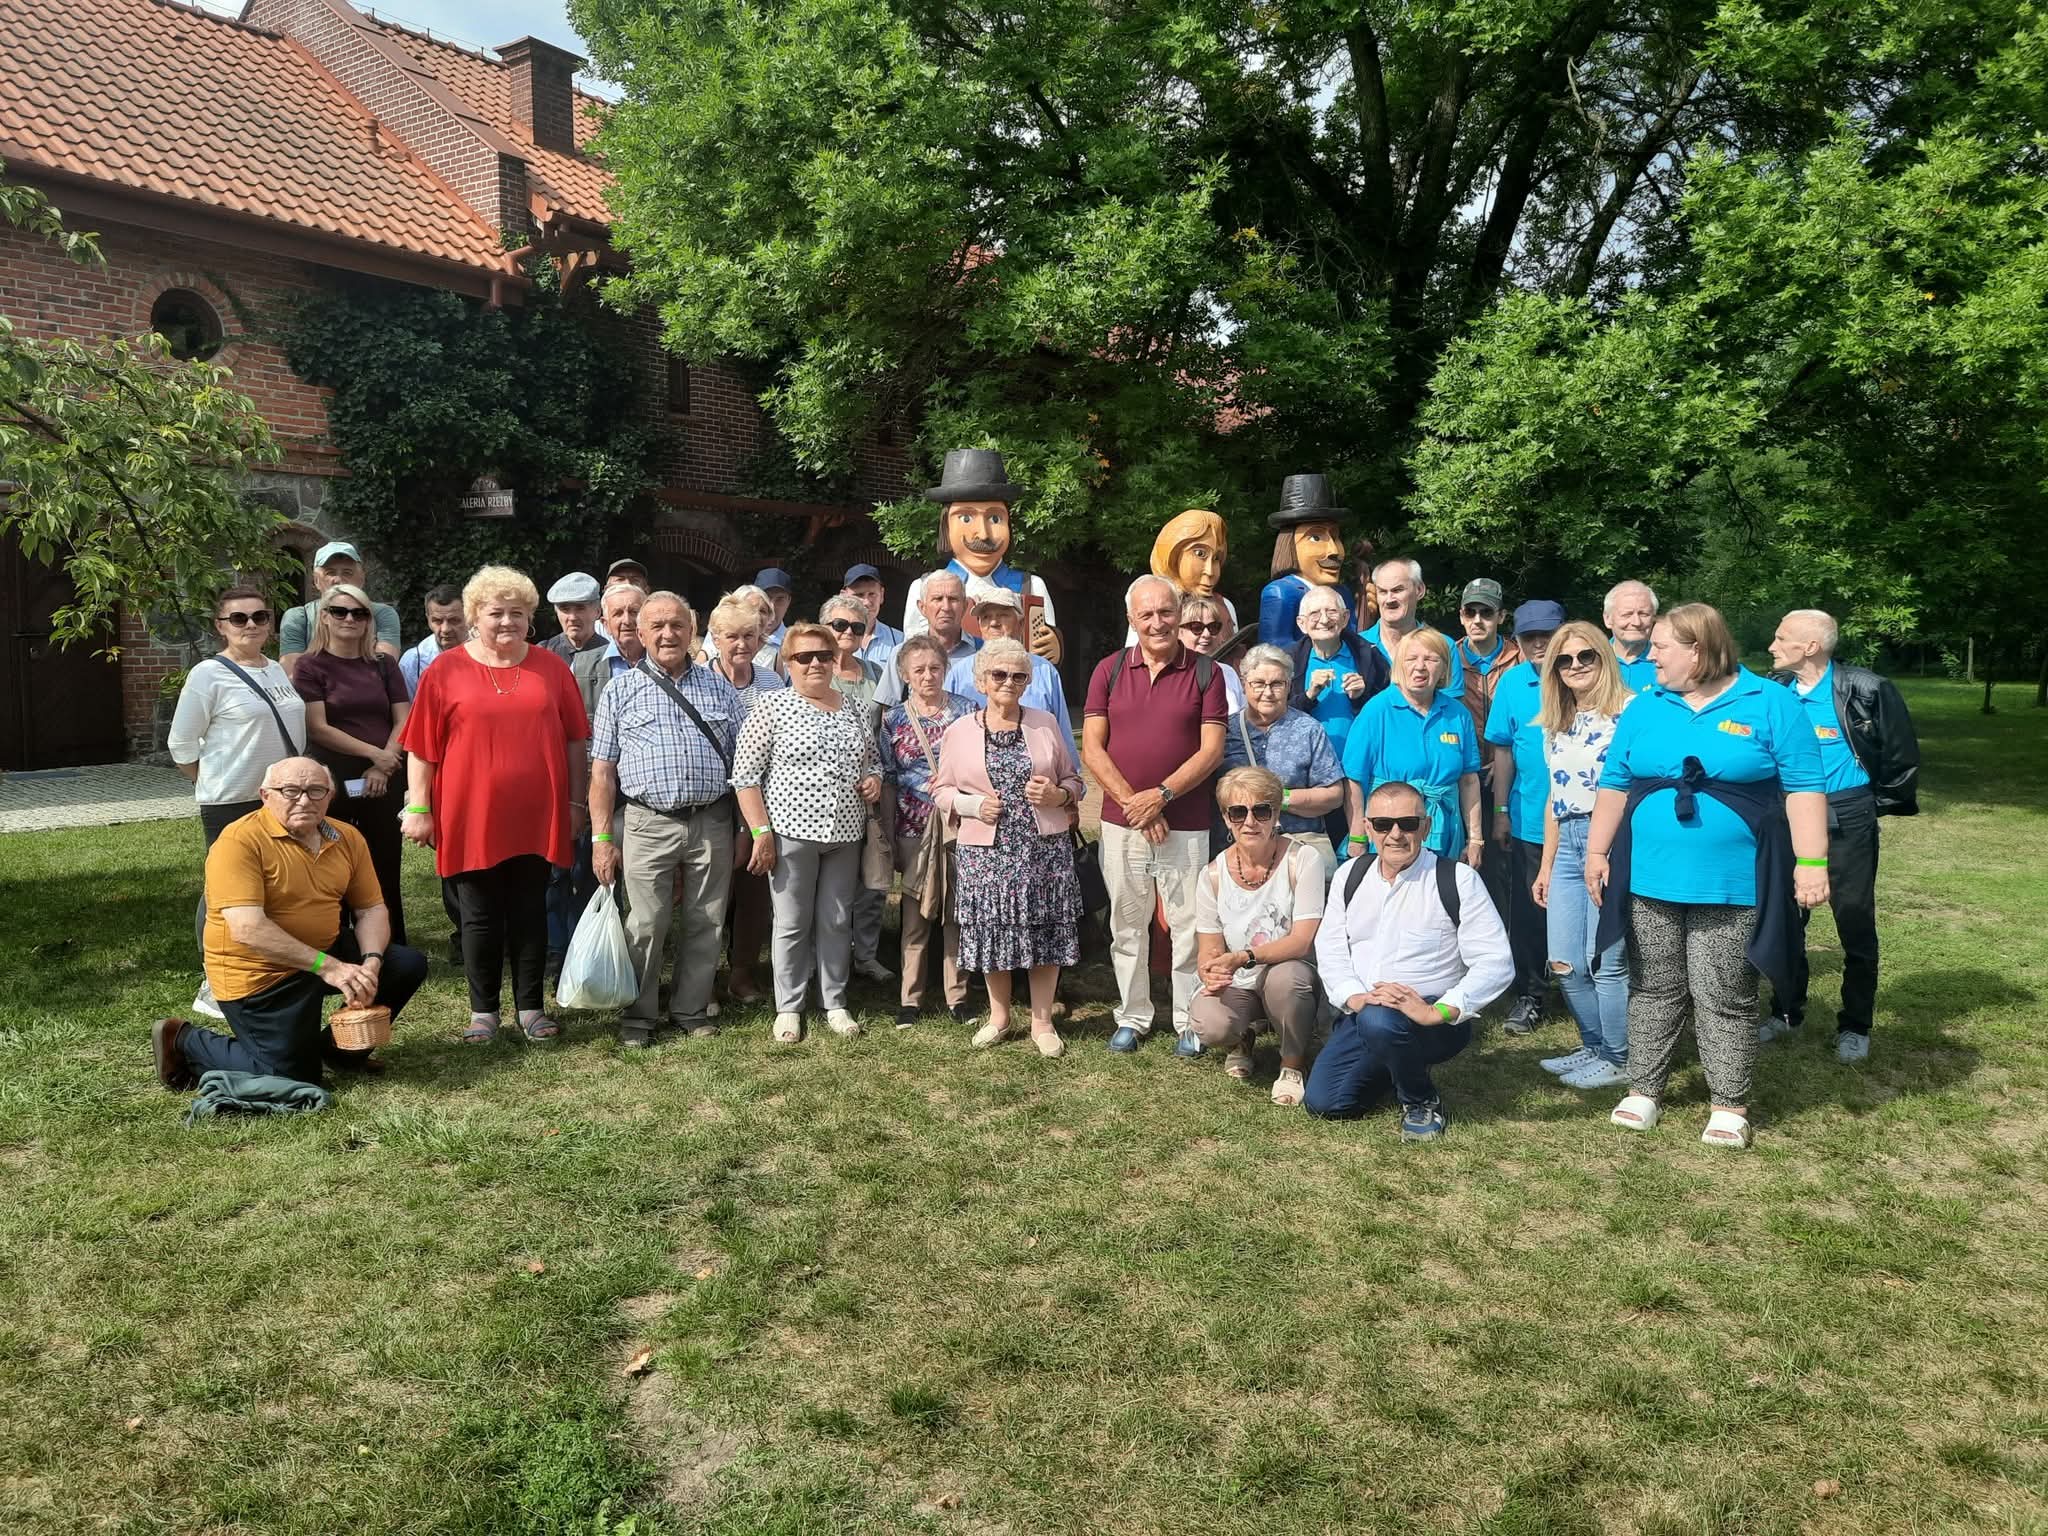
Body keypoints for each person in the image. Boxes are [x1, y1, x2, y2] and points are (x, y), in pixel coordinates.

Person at [1587, 603, 1829, 1148]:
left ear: (1697, 650)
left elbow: (1806, 786)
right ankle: (1644, 1089)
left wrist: (1812, 863)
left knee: (1724, 990)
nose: (1650, 656)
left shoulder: (1770, 702)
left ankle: (1728, 1103)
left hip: (1733, 880)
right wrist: (1598, 852)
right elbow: (1614, 783)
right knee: (1652, 986)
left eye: (1661, 647)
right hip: (1649, 877)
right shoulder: (1647, 706)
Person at [152, 758, 428, 1092]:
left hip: (322, 953)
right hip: (258, 972)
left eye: (316, 791)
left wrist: (371, 961)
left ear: (330, 796)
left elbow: (370, 909)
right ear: (265, 795)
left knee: (405, 964)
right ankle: (184, 1039)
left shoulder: (348, 837)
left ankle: (341, 1051)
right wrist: (329, 968)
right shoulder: (239, 841)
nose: (304, 800)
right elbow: (248, 928)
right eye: (290, 791)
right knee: (294, 1079)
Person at [401, 566, 590, 1044]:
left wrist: (574, 802)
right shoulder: (445, 670)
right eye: (496, 613)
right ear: (473, 617)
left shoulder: (552, 668)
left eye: (518, 614)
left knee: (530, 909)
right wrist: (419, 807)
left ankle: (530, 1008)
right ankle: (483, 1012)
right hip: (470, 812)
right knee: (479, 915)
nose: (507, 622)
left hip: (537, 812)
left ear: (530, 619)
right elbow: (422, 747)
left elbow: (574, 741)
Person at [1306, 781, 1514, 1137]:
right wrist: (1353, 996)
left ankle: (1420, 1101)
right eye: (1384, 824)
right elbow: (1331, 948)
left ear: (1427, 826)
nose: (1396, 835)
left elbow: (1496, 962)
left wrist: (1440, 1011)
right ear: (1368, 828)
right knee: (1327, 1103)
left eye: (1408, 823)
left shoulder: (1457, 879)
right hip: (1363, 1013)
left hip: (1432, 1021)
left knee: (1380, 1022)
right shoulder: (1349, 875)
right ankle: (1399, 1066)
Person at [1763, 608, 1920, 1062]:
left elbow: (1900, 754)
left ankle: (1855, 1026)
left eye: (1780, 638)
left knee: (1853, 920)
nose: (1772, 647)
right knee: (1787, 921)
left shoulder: (1866, 689)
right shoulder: (1775, 692)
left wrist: (1869, 807)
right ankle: (1786, 1013)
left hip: (1848, 816)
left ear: (1809, 647)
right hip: (1788, 816)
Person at [1082, 575, 1228, 1054]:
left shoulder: (1206, 673)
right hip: (1121, 820)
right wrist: (1136, 805)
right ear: (1132, 620)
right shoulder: (1108, 669)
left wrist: (1161, 796)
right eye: (1147, 615)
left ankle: (1188, 1017)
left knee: (1187, 923)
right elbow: (1093, 750)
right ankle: (1133, 1015)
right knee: (1127, 921)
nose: (1158, 622)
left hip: (1185, 820)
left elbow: (1210, 752)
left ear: (1178, 614)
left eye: (1166, 612)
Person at [589, 592, 742, 1047]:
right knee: (647, 922)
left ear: (691, 631)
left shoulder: (720, 689)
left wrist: (745, 828)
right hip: (646, 822)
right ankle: (638, 1015)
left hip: (711, 818)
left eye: (676, 625)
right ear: (640, 632)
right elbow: (601, 772)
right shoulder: (619, 690)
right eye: (656, 625)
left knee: (707, 919)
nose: (667, 634)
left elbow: (743, 767)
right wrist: (601, 837)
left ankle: (691, 1009)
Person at [731, 621, 883, 1042]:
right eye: (804, 657)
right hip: (791, 833)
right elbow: (745, 777)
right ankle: (789, 1006)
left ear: (835, 660)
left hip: (846, 834)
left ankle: (835, 1001)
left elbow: (874, 761)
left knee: (836, 919)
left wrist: (874, 779)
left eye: (823, 655)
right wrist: (761, 831)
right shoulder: (771, 707)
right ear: (788, 663)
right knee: (792, 922)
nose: (815, 663)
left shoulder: (853, 707)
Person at [933, 638, 1086, 1056]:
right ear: (981, 680)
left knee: (1045, 930)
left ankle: (1042, 1022)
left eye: (1019, 675)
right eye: (999, 674)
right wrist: (972, 805)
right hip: (987, 851)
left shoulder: (1045, 722)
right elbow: (942, 791)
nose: (1009, 682)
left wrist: (1059, 796)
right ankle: (999, 1017)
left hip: (1043, 848)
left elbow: (1075, 781)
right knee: (992, 931)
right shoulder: (959, 730)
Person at [168, 586, 310, 1018]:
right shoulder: (207, 675)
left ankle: (266, 966)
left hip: (280, 800)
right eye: (239, 618)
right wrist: (213, 781)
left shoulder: (276, 670)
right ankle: (213, 978)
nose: (250, 625)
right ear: (220, 626)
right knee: (223, 891)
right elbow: (181, 744)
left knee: (275, 883)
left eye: (260, 617)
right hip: (231, 799)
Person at [1529, 620, 1635, 1089]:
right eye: (1563, 660)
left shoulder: (1630, 713)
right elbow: (1555, 797)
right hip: (1567, 840)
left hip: (1607, 839)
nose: (1574, 666)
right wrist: (1547, 865)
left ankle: (1621, 1056)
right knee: (1563, 961)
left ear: (1603, 658)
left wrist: (1605, 849)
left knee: (1605, 960)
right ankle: (1593, 1045)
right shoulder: (1557, 723)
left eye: (1584, 656)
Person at [1191, 765, 1327, 1106]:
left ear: (1276, 814)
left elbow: (1302, 941)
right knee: (1209, 1023)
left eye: (1261, 810)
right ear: (1225, 818)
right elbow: (1208, 949)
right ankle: (1241, 1039)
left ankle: (1292, 1063)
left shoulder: (1303, 859)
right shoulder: (1211, 875)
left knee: (1288, 979)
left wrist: (1243, 957)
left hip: (1288, 970)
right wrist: (1212, 969)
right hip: (1241, 982)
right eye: (1238, 812)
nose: (1250, 821)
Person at [292, 582, 412, 945]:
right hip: (333, 779)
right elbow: (318, 727)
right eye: (340, 612)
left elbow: (404, 719)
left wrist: (383, 765)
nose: (350, 619)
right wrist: (374, 754)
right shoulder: (310, 666)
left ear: (368, 621)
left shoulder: (383, 664)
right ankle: (339, 939)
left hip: (385, 776)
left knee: (384, 860)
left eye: (359, 613)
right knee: (333, 858)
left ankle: (390, 942)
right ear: (324, 618)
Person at [879, 635, 978, 1027]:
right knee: (915, 914)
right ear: (905, 674)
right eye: (918, 670)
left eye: (934, 668)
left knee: (956, 913)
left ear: (946, 669)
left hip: (959, 825)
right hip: (913, 827)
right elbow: (888, 777)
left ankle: (958, 996)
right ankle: (910, 999)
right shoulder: (894, 719)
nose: (927, 676)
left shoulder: (968, 711)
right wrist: (887, 832)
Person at [1483, 599, 1564, 1034]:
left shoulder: (1584, 677)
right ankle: (1531, 993)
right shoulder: (1513, 684)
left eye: (1547, 636)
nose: (1539, 644)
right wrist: (1500, 811)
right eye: (1530, 637)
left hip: (1584, 820)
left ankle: (1584, 988)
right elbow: (1503, 751)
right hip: (1529, 815)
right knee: (1531, 911)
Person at [902, 449, 1062, 663]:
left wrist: (1054, 646)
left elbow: (1043, 658)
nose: (984, 534)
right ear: (945, 526)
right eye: (966, 518)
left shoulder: (1030, 586)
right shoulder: (924, 588)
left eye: (995, 518)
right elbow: (912, 657)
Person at [1342, 628, 1483, 868]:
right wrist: (1357, 837)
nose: (1420, 666)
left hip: (1446, 832)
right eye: (1411, 659)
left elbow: (1469, 781)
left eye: (1431, 659)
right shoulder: (1376, 711)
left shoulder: (1458, 714)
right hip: (1390, 833)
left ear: (1443, 668)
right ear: (1399, 665)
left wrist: (1476, 840)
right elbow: (1354, 781)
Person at [706, 591, 787, 1003]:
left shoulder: (772, 680)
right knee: (715, 893)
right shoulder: (702, 679)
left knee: (754, 890)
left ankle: (742, 973)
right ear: (715, 637)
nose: (742, 644)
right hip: (715, 803)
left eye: (750, 636)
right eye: (733, 636)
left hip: (760, 802)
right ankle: (704, 978)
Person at [1221, 644, 1347, 868]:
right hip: (1239, 846)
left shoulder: (1308, 729)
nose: (1268, 692)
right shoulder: (1226, 731)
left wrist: (1279, 799)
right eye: (1258, 683)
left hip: (1298, 846)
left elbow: (1334, 794)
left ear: (1289, 686)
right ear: (1243, 685)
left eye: (1277, 684)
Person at [820, 592, 891, 983]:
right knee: (829, 882)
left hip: (870, 790)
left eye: (857, 627)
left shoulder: (877, 675)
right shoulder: (812, 670)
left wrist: (879, 777)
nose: (848, 632)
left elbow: (889, 730)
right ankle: (829, 957)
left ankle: (865, 954)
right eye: (840, 625)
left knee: (873, 879)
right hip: (822, 794)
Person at [945, 587, 1077, 761]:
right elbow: (945, 734)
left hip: (1035, 780)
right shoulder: (959, 673)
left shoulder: (1044, 671)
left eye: (1003, 615)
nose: (993, 623)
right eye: (986, 617)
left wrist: (1071, 782)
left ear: (1021, 625)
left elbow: (1062, 734)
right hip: (974, 778)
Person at [1290, 583, 1389, 767]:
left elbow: (1389, 710)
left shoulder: (1368, 655)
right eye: (1315, 614)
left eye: (1332, 612)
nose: (1325, 619)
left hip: (1360, 766)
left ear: (1345, 618)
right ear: (1301, 624)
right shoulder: (1288, 661)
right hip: (1305, 769)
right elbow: (1275, 715)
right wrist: (1309, 695)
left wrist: (1361, 697)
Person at [1257, 472, 1353, 646]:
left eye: (1335, 537)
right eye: (1316, 538)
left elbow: (1354, 639)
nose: (1334, 550)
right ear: (1289, 546)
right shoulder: (1282, 592)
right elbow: (1274, 649)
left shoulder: (1342, 593)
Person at [280, 542, 400, 676]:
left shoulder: (381, 614)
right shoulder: (298, 618)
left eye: (347, 573)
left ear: (361, 579)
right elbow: (294, 674)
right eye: (330, 573)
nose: (338, 580)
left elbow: (385, 669)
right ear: (316, 581)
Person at [1361, 558, 1464, 695]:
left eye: (1397, 590)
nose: (1389, 599)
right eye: (1383, 592)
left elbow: (1451, 710)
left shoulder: (1443, 646)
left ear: (1419, 590)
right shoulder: (1358, 645)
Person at [880, 569, 976, 706]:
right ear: (922, 607)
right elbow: (887, 713)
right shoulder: (902, 653)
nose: (946, 607)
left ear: (965, 606)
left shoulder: (980, 653)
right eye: (937, 599)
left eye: (953, 599)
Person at [1455, 579, 1514, 738]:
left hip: (1509, 759)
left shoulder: (1521, 659)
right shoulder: (1446, 660)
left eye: (1486, 612)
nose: (1477, 620)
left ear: (1501, 616)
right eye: (1470, 612)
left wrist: (1504, 759)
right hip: (1463, 759)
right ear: (1461, 616)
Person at [1178, 592, 1246, 712]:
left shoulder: (1227, 672)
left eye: (1213, 627)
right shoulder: (1169, 677)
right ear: (1179, 632)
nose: (1206, 634)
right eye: (1196, 627)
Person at [399, 584, 467, 694]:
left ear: (469, 617)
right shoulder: (412, 662)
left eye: (454, 620)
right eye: (437, 621)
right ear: (428, 619)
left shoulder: (489, 652)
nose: (445, 629)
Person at [845, 564, 905, 672]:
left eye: (872, 594)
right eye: (859, 595)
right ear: (843, 596)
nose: (866, 602)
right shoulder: (832, 640)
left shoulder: (899, 641)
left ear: (882, 595)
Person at [1605, 581, 1660, 693]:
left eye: (1644, 614)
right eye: (1627, 614)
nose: (1636, 622)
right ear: (1608, 619)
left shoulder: (1665, 661)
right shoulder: (1592, 661)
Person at [542, 572, 608, 661]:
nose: (572, 617)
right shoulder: (543, 653)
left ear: (597, 612)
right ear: (556, 612)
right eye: (565, 609)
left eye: (580, 608)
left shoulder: (611, 655)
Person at [1349, 537, 1380, 634]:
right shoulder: (1363, 565)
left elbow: (1362, 581)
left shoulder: (1360, 565)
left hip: (1362, 594)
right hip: (1361, 594)